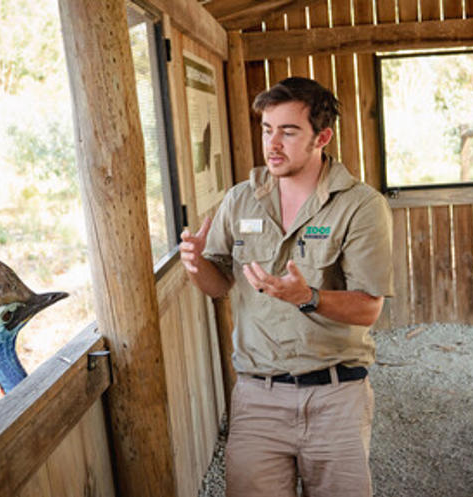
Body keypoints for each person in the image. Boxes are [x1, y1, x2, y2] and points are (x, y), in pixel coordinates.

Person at [180, 76, 393, 497]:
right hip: (258, 396)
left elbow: (369, 308)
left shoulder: (361, 206)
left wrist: (308, 298)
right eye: (267, 129)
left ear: (322, 136)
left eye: (289, 131)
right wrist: (196, 263)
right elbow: (219, 285)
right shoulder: (240, 199)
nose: (272, 143)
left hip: (336, 396)